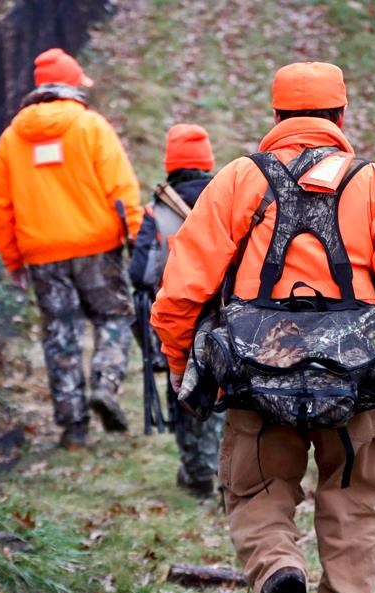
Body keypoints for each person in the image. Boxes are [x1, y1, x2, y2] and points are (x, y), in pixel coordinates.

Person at [150, 62, 375, 593]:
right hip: (357, 387)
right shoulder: (374, 185)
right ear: (341, 117)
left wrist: (186, 370)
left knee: (257, 494)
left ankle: (278, 573)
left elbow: (180, 293)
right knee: (355, 509)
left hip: (256, 384)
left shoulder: (239, 180)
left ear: (277, 118)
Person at [0, 48, 142, 449]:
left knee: (60, 333)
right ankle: (105, 385)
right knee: (113, 317)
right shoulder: (91, 126)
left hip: (42, 254)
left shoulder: (11, 138)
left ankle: (74, 428)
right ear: (72, 86)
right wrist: (136, 238)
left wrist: (13, 259)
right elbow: (122, 189)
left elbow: (0, 205)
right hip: (97, 246)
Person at [128, 123, 225, 497]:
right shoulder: (227, 201)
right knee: (226, 395)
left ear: (171, 162)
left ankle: (197, 472)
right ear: (207, 161)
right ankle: (227, 473)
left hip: (180, 320)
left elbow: (140, 274)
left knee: (183, 391)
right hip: (227, 319)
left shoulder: (156, 213)